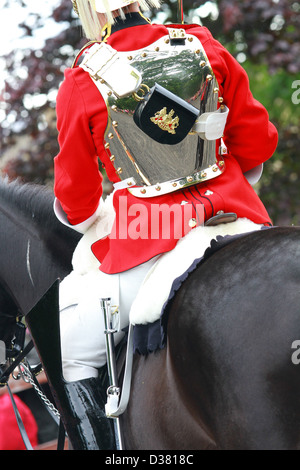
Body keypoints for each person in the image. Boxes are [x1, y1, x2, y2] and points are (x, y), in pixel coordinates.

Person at [35, 0, 278, 449]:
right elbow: (258, 142)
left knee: (65, 340)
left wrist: (92, 215)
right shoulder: (201, 44)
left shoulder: (83, 79)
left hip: (149, 235)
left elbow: (77, 200)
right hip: (237, 216)